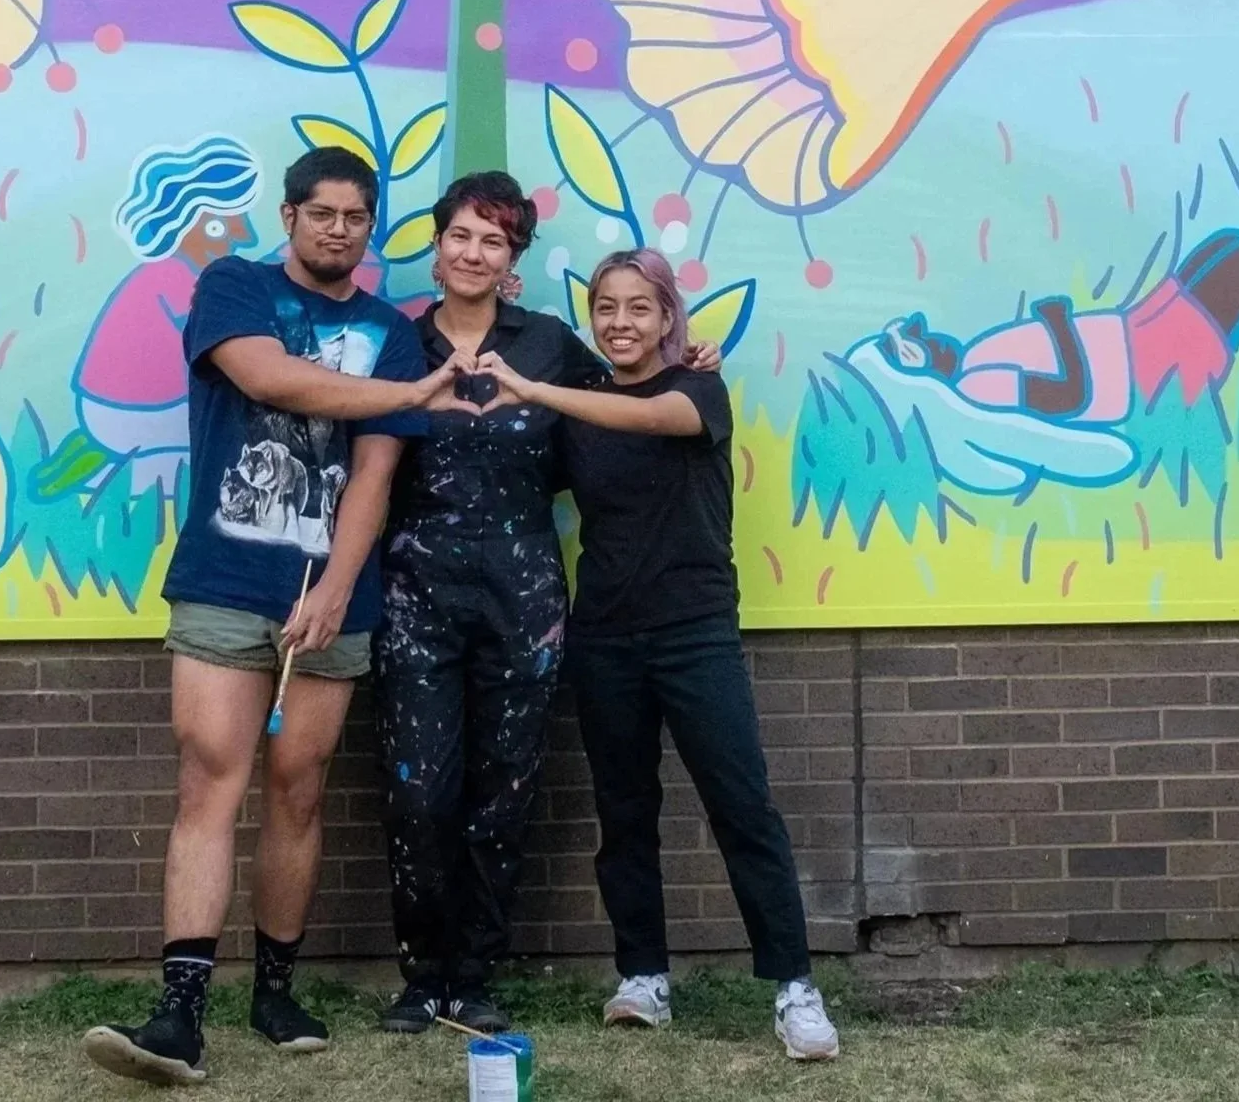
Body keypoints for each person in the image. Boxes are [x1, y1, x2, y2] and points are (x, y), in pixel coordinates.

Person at [83, 146, 463, 1088]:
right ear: (289, 215)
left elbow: (376, 471)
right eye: (322, 213)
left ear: (369, 230)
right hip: (225, 582)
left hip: (334, 600)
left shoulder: (390, 328)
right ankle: (180, 1013)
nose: (338, 230)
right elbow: (268, 381)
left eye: (355, 218)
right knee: (209, 781)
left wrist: (339, 588)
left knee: (299, 789)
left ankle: (276, 990)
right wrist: (410, 395)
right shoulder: (234, 286)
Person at [374, 173, 723, 1037]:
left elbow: (628, 396)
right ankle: (423, 978)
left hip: (525, 594)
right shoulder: (396, 344)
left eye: (493, 240)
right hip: (417, 591)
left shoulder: (552, 347)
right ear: (438, 242)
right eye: (461, 235)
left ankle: (477, 973)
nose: (473, 252)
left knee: (505, 790)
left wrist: (690, 361)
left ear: (512, 258)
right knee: (420, 792)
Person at [479, 249, 840, 1064]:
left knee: (742, 807)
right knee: (626, 814)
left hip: (696, 630)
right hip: (605, 636)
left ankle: (794, 988)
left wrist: (535, 387)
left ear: (669, 317)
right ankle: (643, 976)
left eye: (640, 308)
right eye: (605, 308)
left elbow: (650, 419)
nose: (620, 323)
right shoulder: (582, 408)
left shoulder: (697, 390)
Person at [879, 228, 1239, 441]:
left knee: (1228, 240)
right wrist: (1061, 324)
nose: (937, 337)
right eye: (924, 342)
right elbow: (1069, 397)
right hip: (1146, 367)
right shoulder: (977, 386)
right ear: (922, 364)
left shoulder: (973, 360)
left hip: (1133, 330)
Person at [49, 137, 260, 508]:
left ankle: (107, 468)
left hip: (121, 408)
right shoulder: (176, 278)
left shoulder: (178, 274)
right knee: (214, 446)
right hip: (123, 411)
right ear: (195, 223)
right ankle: (116, 477)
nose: (246, 236)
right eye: (229, 224)